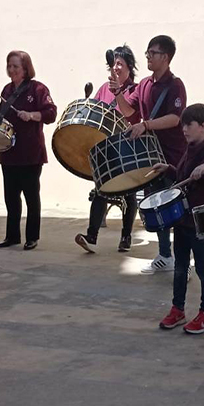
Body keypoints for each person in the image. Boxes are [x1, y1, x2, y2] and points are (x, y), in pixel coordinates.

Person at [151, 104, 204, 334]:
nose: (184, 129)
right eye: (183, 124)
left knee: (203, 268)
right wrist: (168, 169)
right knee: (180, 267)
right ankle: (178, 309)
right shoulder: (189, 150)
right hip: (183, 221)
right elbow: (183, 178)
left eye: (189, 125)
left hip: (200, 222)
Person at [115, 35, 187, 274]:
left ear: (165, 57)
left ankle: (181, 259)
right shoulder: (144, 84)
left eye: (152, 53)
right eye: (147, 52)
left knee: (175, 209)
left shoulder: (175, 85)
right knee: (156, 206)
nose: (147, 56)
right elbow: (128, 111)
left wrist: (145, 125)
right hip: (151, 156)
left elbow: (175, 118)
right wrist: (117, 93)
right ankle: (165, 255)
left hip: (172, 157)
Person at [75, 45, 141, 254]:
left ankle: (126, 236)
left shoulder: (135, 89)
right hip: (105, 147)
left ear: (130, 67)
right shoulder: (104, 87)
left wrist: (118, 91)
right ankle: (91, 235)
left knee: (129, 194)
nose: (116, 67)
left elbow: (128, 111)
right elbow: (95, 109)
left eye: (120, 64)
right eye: (114, 64)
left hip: (126, 146)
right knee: (101, 190)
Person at [0, 51, 57, 250]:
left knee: (31, 196)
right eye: (9, 66)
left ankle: (32, 236)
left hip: (31, 152)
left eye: (16, 66)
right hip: (8, 151)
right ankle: (12, 235)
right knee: (10, 197)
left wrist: (31, 115)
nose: (12, 70)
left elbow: (51, 113)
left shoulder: (38, 89)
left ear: (25, 68)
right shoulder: (6, 90)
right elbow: (0, 115)